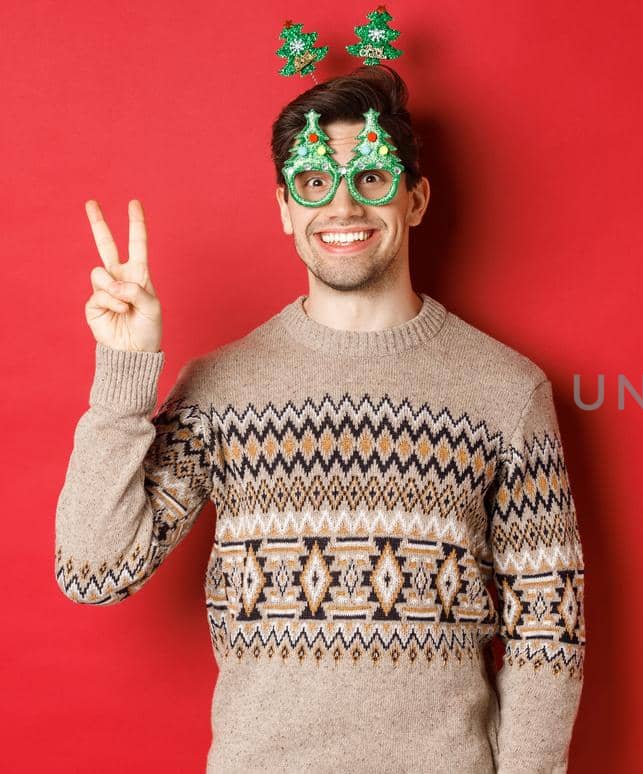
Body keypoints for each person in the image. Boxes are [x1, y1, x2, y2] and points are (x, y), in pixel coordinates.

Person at [54, 64, 585, 773]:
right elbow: (93, 573)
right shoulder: (220, 388)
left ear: (416, 199)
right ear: (284, 207)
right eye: (313, 183)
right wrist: (123, 375)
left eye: (371, 177)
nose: (342, 206)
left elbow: (549, 621)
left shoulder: (507, 391)